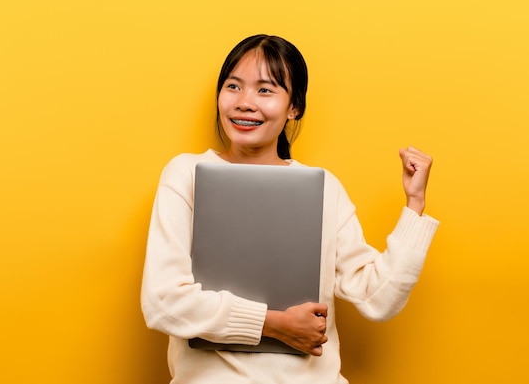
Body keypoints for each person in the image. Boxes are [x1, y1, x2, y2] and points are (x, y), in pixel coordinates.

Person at [141, 34, 439, 383]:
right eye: (233, 86)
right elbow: (163, 302)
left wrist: (414, 204)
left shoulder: (325, 187)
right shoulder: (185, 174)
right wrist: (274, 325)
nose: (244, 102)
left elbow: (379, 298)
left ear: (294, 107)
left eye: (265, 90)